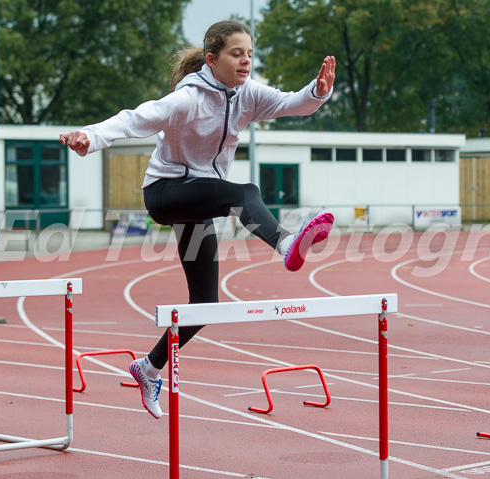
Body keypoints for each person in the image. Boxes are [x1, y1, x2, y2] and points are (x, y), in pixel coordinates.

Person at [60, 19, 336, 419]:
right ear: (212, 59)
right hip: (167, 194)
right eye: (236, 54)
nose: (246, 61)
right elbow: (133, 119)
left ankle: (148, 367)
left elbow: (292, 103)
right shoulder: (187, 98)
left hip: (199, 200)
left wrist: (317, 93)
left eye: (250, 54)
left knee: (205, 303)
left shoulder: (248, 94)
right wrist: (90, 136)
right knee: (245, 194)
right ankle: (286, 243)